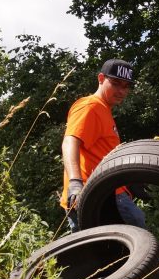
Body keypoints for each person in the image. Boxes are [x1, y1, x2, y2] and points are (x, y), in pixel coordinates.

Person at [60, 59, 145, 232]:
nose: (121, 91)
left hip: (111, 195)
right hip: (95, 197)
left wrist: (128, 181)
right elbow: (69, 142)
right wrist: (76, 184)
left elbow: (101, 154)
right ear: (100, 78)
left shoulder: (104, 109)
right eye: (115, 84)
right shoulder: (90, 106)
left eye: (126, 86)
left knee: (118, 254)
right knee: (131, 251)